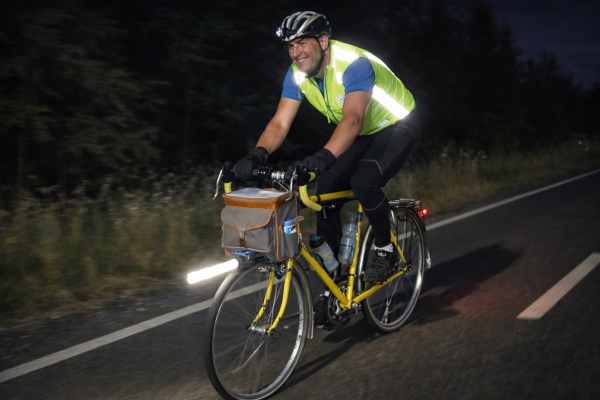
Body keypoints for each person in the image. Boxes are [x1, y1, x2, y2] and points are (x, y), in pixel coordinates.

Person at [234, 11, 421, 321]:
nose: (295, 52)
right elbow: (280, 123)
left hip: (397, 126)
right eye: (290, 46)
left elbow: (353, 119)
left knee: (364, 182)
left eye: (302, 43)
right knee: (323, 194)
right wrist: (257, 154)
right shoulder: (297, 74)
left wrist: (322, 157)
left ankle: (385, 249)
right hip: (361, 131)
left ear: (323, 41)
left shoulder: (354, 64)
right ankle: (333, 288)